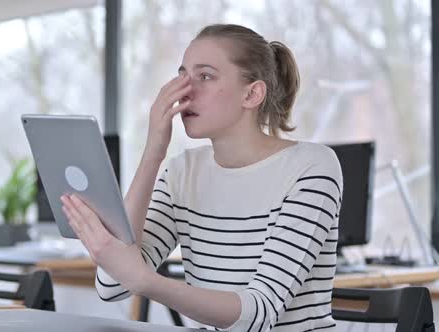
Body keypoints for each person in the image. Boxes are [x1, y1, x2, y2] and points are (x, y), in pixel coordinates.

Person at [60, 23, 342, 332]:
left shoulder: (311, 167)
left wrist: (144, 280)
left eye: (205, 76)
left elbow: (258, 315)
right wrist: (153, 153)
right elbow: (113, 285)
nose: (185, 91)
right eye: (182, 76)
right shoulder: (182, 171)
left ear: (252, 93)